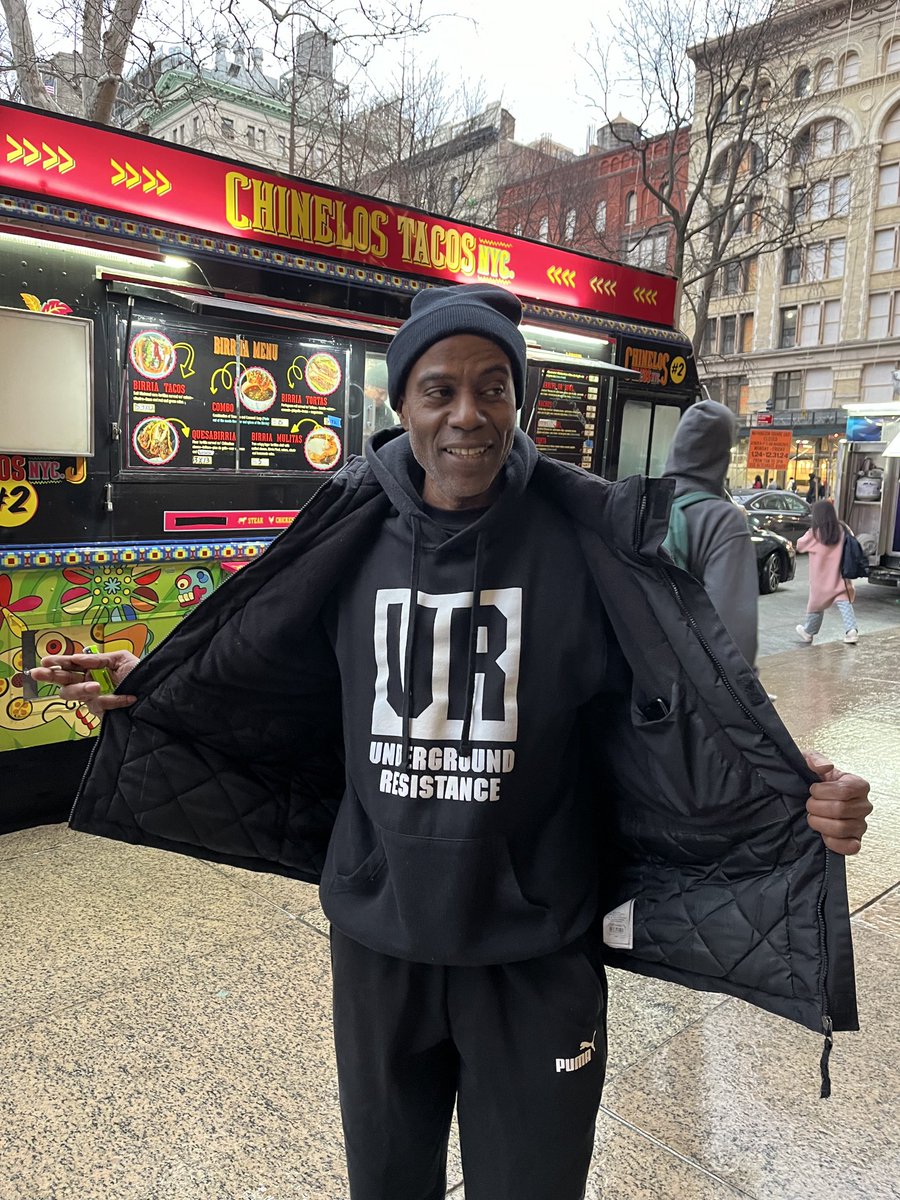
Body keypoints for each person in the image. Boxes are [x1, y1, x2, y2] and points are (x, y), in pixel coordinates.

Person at [33, 285, 871, 1200]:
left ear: (520, 401)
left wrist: (794, 786)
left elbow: (682, 709)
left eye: (492, 389)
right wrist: (148, 683)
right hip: (378, 943)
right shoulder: (347, 534)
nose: (467, 415)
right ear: (401, 406)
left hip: (536, 950)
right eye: (438, 391)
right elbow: (261, 671)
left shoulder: (586, 540)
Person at [662, 400, 759, 665]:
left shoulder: (648, 505)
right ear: (721, 454)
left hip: (640, 689)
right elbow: (734, 637)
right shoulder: (722, 521)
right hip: (688, 689)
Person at [796, 500, 859, 645]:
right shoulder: (842, 530)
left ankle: (808, 632)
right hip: (840, 578)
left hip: (820, 581)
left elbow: (800, 545)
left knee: (815, 606)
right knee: (844, 602)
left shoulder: (814, 534)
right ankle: (851, 631)